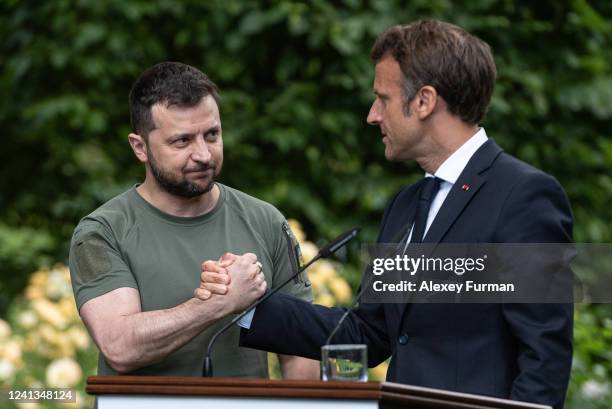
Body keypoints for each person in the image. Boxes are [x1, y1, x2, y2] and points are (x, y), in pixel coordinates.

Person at [196, 20, 573, 408]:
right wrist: (248, 304)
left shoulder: (525, 195)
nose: (373, 115)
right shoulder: (406, 204)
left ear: (424, 101)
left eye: (383, 98)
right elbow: (368, 332)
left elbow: (545, 359)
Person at [68, 62, 319, 379]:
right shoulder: (101, 232)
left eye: (212, 135)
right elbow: (120, 347)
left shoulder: (266, 221)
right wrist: (217, 303)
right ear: (140, 147)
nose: (203, 154)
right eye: (182, 141)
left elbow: (300, 354)